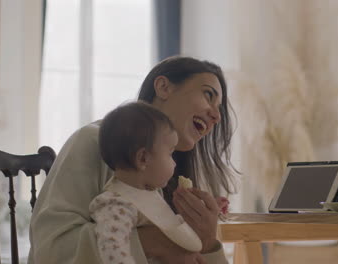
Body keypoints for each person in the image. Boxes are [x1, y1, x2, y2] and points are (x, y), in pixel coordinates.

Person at [28, 56, 237, 264]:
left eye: (219, 107)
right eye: (208, 95)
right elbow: (50, 250)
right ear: (164, 87)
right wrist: (155, 242)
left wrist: (208, 242)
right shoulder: (93, 140)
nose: (217, 116)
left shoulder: (168, 174)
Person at [91, 101, 204, 264]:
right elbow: (112, 251)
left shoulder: (149, 193)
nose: (174, 163)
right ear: (143, 158)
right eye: (170, 154)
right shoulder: (118, 204)